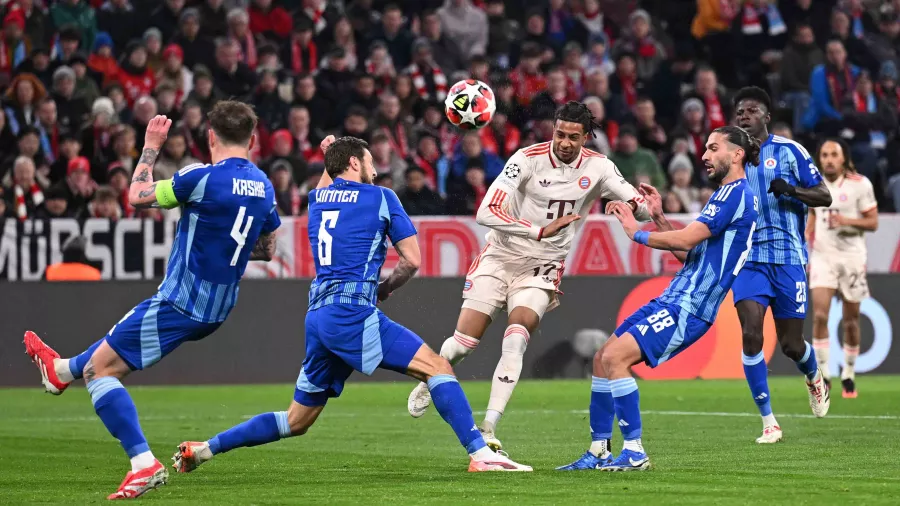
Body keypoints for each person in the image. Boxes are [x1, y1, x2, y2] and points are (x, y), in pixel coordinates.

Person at [171, 135, 531, 474]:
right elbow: (411, 261)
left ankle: (204, 450)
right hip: (351, 312)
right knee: (437, 367)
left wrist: (332, 158)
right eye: (370, 163)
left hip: (318, 315)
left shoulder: (317, 199)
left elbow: (332, 186)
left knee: (297, 420)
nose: (375, 171)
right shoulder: (382, 197)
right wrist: (386, 288)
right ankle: (480, 454)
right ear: (356, 163)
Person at [22, 100, 281, 499]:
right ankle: (60, 371)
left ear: (210, 136)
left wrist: (150, 146)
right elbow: (267, 247)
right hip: (218, 308)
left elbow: (137, 196)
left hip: (180, 302)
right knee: (105, 354)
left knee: (102, 373)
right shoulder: (265, 186)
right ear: (252, 139)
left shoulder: (200, 178)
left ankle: (143, 463)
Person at [406, 101, 651, 451]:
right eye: (560, 134)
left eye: (573, 137)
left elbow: (640, 210)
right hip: (501, 255)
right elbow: (485, 212)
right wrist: (539, 230)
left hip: (543, 267)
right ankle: (431, 377)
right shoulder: (526, 159)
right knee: (462, 344)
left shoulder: (600, 168)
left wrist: (639, 206)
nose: (564, 142)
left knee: (516, 338)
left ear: (586, 137)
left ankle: (488, 428)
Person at [557, 126, 759, 472]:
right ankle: (599, 451)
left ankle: (634, 451)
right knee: (602, 358)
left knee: (616, 357)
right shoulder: (725, 196)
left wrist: (636, 231)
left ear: (737, 154)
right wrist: (659, 218)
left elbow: (685, 241)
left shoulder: (736, 194)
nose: (705, 156)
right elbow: (691, 254)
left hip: (690, 306)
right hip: (675, 297)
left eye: (713, 149)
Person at [731, 86, 833, 444]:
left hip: (789, 260)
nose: (744, 115)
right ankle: (768, 421)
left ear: (766, 116)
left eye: (751, 110)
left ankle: (814, 375)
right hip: (748, 260)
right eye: (739, 111)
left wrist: (791, 190)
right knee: (750, 333)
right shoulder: (733, 157)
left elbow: (824, 195)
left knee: (791, 345)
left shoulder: (790, 151)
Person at [808, 139, 878, 399]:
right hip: (823, 256)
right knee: (820, 316)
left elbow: (873, 222)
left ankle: (848, 373)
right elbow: (814, 214)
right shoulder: (814, 184)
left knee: (850, 321)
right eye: (824, 154)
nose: (828, 159)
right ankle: (824, 375)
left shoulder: (861, 184)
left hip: (852, 257)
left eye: (833, 154)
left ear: (843, 158)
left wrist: (846, 220)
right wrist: (806, 238)